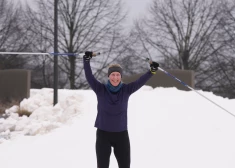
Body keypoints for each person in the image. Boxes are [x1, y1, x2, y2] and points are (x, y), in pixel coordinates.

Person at [83, 51, 159, 168]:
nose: (115, 77)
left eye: (118, 75)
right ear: (109, 76)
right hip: (103, 135)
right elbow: (89, 77)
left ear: (121, 76)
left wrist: (151, 71)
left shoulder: (126, 90)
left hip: (121, 135)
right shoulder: (100, 89)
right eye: (113, 75)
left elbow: (140, 81)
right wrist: (86, 61)